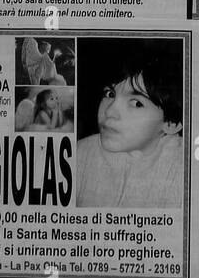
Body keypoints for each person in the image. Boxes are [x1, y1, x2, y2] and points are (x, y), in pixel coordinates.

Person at [76, 50, 183, 208]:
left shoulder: (184, 170)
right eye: (110, 94)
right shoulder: (80, 152)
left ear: (171, 124)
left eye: (137, 103)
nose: (109, 112)